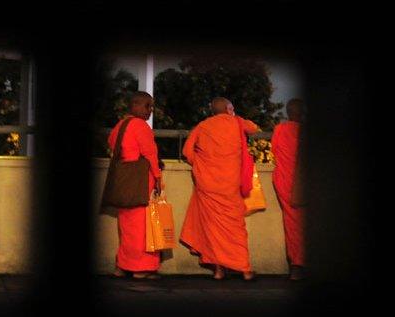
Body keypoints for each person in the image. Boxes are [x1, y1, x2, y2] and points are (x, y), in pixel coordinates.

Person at [179, 97, 257, 280]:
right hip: (230, 184)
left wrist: (201, 164)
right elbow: (253, 128)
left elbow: (187, 151)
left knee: (212, 229)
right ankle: (245, 270)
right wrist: (234, 115)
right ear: (230, 108)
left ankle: (219, 271)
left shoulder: (203, 126)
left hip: (207, 184)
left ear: (212, 110)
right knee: (235, 227)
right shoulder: (237, 122)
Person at [108, 91, 164, 280]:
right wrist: (157, 178)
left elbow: (112, 144)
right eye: (147, 106)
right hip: (140, 180)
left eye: (151, 107)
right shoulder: (140, 126)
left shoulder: (119, 125)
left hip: (123, 179)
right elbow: (150, 154)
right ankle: (140, 269)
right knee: (142, 227)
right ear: (135, 105)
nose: (150, 111)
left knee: (126, 227)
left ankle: (122, 267)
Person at [272, 98, 305, 280]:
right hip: (306, 183)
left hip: (284, 182)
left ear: (288, 112)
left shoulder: (280, 129)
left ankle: (296, 266)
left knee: (292, 223)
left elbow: (275, 151)